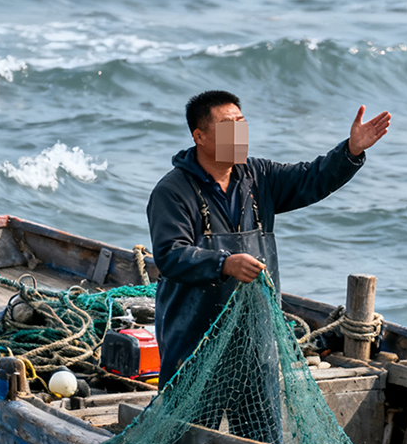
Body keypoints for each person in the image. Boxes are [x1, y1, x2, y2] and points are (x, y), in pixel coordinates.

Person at [148, 90, 391, 381]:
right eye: (227, 126)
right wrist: (224, 264)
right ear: (199, 136)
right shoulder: (172, 191)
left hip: (257, 339)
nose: (238, 133)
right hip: (195, 341)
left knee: (260, 410)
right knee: (193, 410)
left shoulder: (259, 176)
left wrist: (350, 151)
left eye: (241, 123)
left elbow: (312, 178)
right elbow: (170, 255)